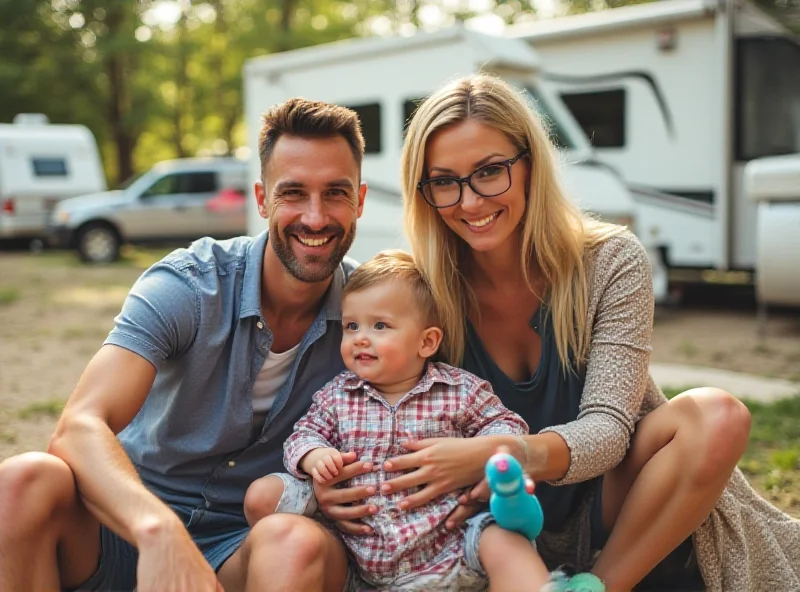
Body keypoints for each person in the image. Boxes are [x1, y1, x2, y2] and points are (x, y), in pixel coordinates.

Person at [308, 74, 800, 592]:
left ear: (530, 164)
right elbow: (357, 403)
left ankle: (598, 587)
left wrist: (500, 451)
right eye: (444, 181)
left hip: (614, 505)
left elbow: (611, 430)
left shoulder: (609, 261)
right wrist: (329, 485)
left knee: (717, 414)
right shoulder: (420, 291)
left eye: (490, 171)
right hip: (490, 527)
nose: (470, 202)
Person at [0, 98, 380, 592]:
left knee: (297, 541)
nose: (314, 216)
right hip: (130, 523)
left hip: (244, 547)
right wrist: (159, 532)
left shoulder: (371, 315)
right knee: (23, 480)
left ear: (360, 200)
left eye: (335, 193)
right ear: (262, 200)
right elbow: (79, 426)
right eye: (293, 193)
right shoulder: (190, 285)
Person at [244, 249, 557, 591]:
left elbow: (507, 427)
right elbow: (303, 435)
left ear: (427, 342)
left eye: (380, 326)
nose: (360, 337)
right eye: (351, 326)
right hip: (363, 557)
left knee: (504, 542)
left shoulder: (459, 390)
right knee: (265, 492)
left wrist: (482, 453)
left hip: (451, 551)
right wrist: (315, 456)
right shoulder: (337, 395)